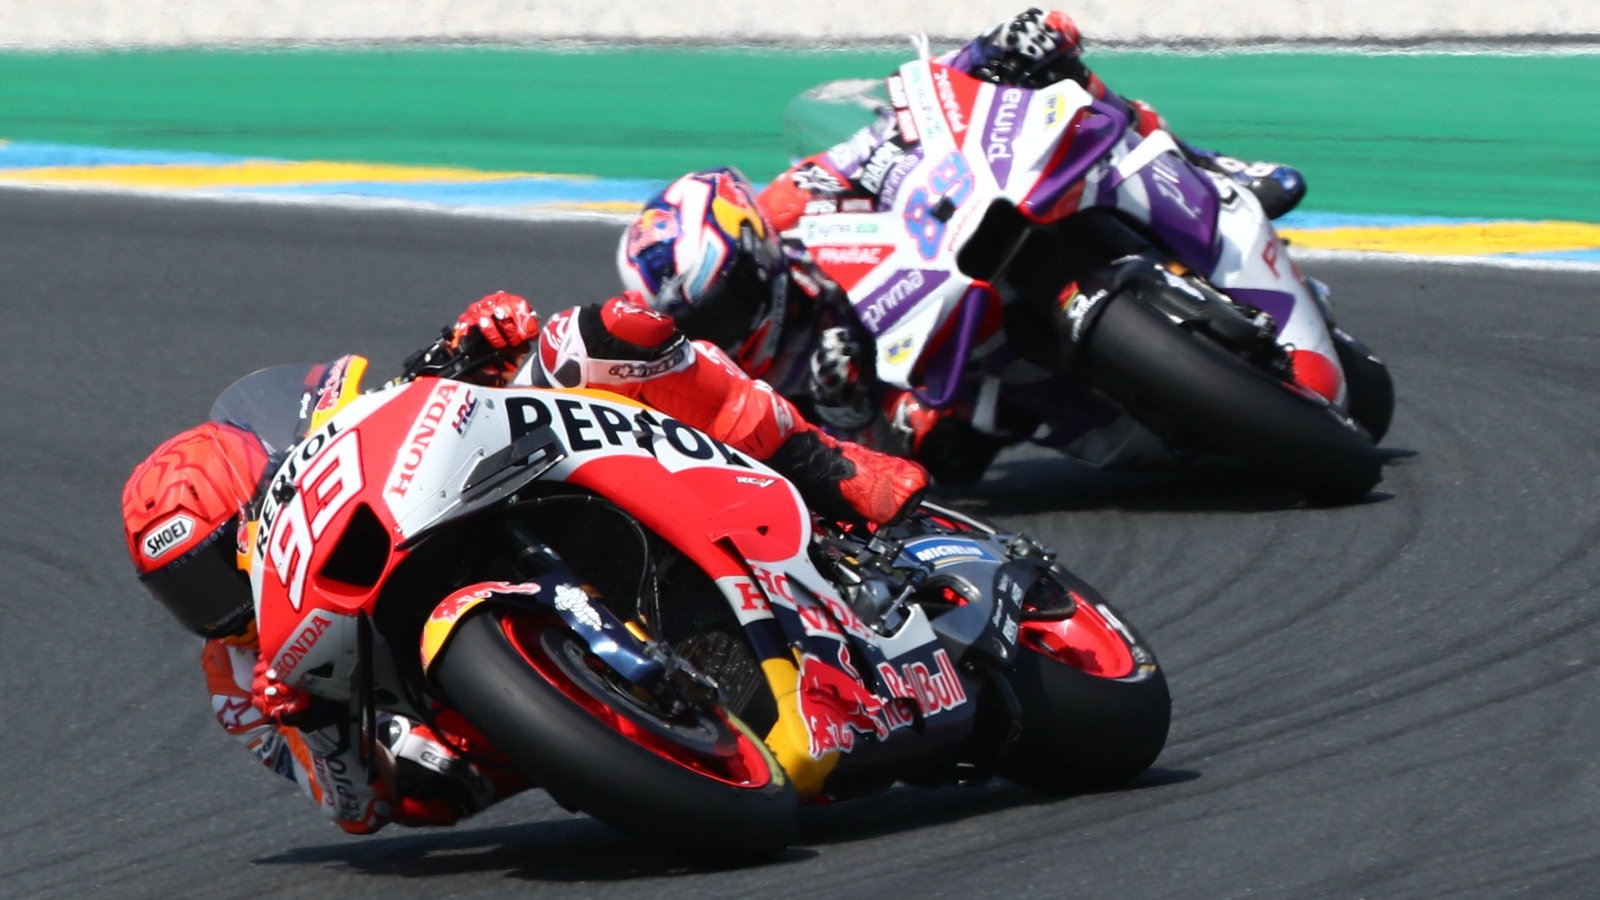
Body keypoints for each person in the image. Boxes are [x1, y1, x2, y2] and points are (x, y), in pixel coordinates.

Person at [120, 290, 928, 835]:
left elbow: (404, 408)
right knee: (421, 773)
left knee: (608, 333)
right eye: (183, 594)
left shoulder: (324, 451)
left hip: (472, 504)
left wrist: (472, 347)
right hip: (479, 736)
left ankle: (829, 466)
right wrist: (313, 722)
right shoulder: (236, 681)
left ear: (252, 511)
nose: (216, 608)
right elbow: (356, 811)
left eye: (213, 569)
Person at [617, 8, 1308, 485]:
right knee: (940, 442)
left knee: (1052, 87)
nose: (730, 326)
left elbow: (896, 125)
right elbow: (834, 473)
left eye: (726, 300)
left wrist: (987, 54)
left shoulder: (791, 202)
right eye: (707, 324)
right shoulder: (755, 385)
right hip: (963, 380)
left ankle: (1207, 165)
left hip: (957, 256)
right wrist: (846, 409)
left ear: (752, 245)